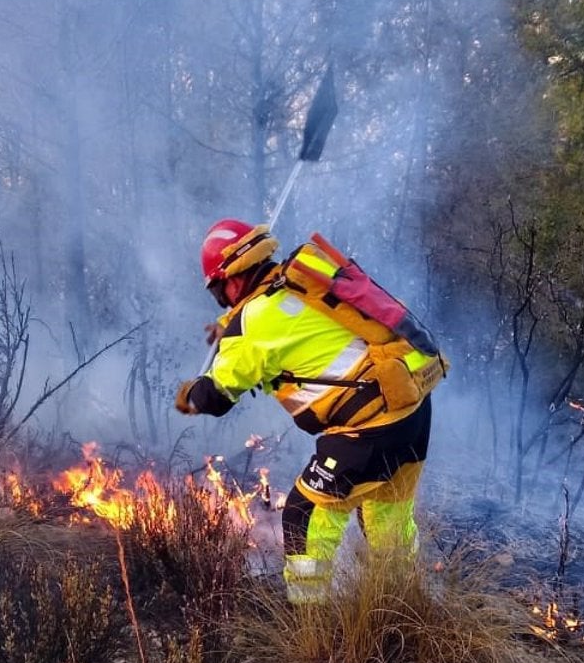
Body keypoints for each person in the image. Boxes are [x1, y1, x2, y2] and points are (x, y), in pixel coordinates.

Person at [175, 219, 438, 603]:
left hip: (369, 425)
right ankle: (406, 609)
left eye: (219, 291)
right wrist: (228, 326)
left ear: (232, 279)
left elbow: (216, 397)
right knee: (388, 520)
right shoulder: (298, 281)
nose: (223, 301)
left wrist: (192, 394)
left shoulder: (250, 324)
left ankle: (310, 623)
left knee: (302, 513)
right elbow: (275, 319)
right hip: (410, 408)